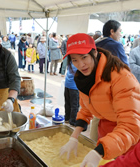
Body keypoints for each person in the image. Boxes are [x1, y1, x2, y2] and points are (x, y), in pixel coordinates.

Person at [59, 33, 140, 167]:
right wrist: (74, 136)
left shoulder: (121, 78)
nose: (81, 65)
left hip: (128, 137)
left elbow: (131, 126)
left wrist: (99, 152)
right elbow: (86, 108)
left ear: (94, 53)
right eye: (75, 60)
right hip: (107, 131)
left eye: (84, 57)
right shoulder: (83, 77)